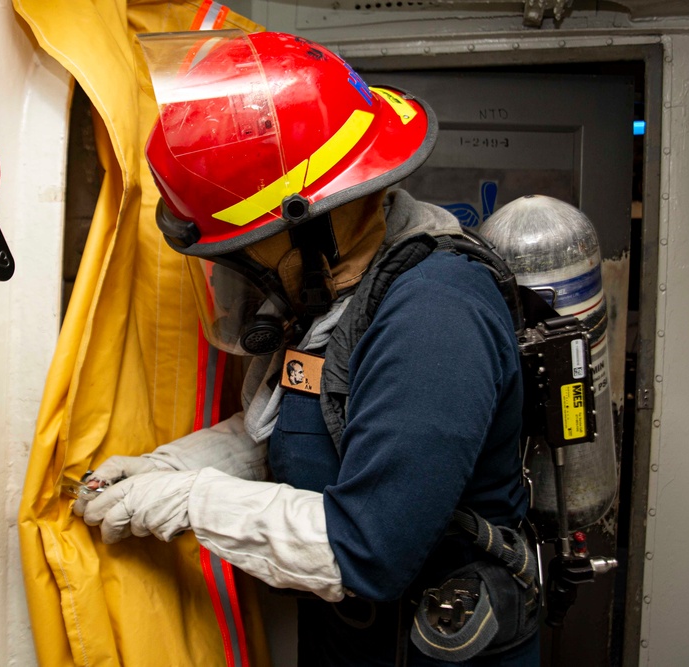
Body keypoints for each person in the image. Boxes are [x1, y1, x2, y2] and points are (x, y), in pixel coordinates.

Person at [73, 31, 540, 666]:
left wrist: (189, 502)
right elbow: (302, 424)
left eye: (248, 247)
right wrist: (172, 466)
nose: (240, 270)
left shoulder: (435, 315)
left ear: (317, 217)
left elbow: (366, 549)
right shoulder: (341, 291)